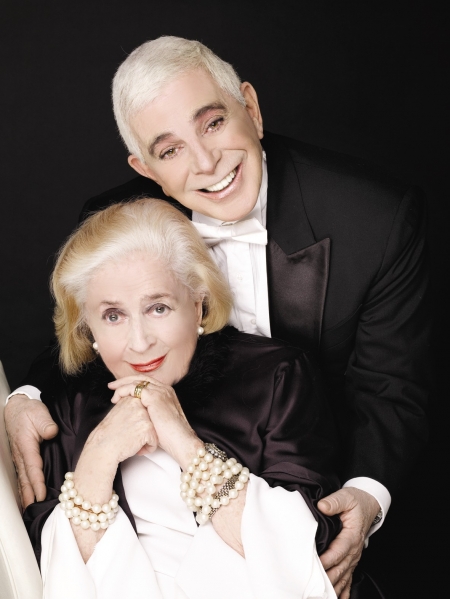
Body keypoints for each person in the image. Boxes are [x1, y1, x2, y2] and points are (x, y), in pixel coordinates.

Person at [5, 36, 430, 597]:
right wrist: (24, 396)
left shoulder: (374, 219)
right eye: (170, 150)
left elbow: (392, 386)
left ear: (250, 107)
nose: (206, 163)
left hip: (312, 478)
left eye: (213, 123)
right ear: (145, 168)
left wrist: (366, 495)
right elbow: (85, 332)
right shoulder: (121, 219)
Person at [24, 197, 347, 598]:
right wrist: (99, 454)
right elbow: (45, 564)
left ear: (198, 305)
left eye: (158, 308)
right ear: (87, 327)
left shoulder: (277, 375)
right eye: (113, 316)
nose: (139, 342)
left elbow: (309, 546)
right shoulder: (69, 405)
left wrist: (184, 443)